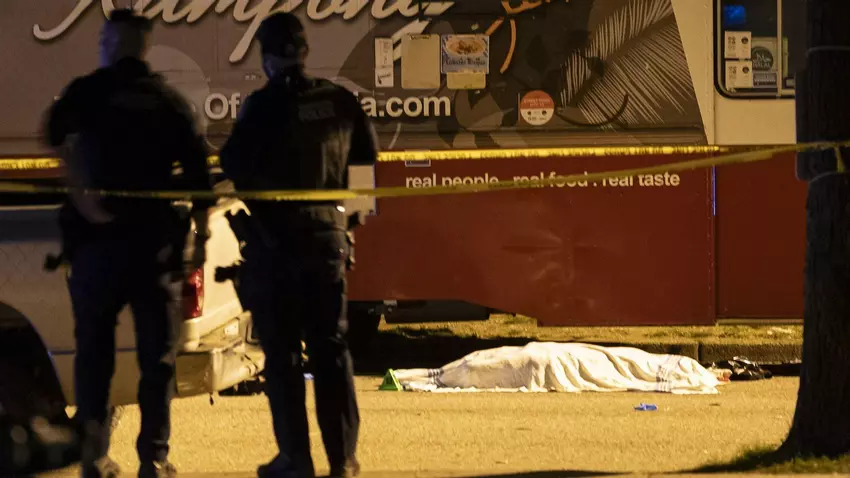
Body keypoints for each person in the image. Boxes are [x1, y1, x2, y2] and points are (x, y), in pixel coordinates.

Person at [42, 9, 213, 478]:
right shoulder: (167, 101)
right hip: (152, 249)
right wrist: (201, 239)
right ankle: (153, 458)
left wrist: (79, 188)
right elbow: (200, 179)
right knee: (156, 359)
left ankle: (93, 457)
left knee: (94, 358)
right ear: (143, 46)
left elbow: (53, 135)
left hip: (96, 248)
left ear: (111, 44)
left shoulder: (86, 94)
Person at [218, 11, 379, 478]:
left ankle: (295, 459)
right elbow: (365, 170)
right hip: (328, 242)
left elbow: (234, 165)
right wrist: (350, 226)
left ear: (266, 58)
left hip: (278, 248)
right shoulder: (340, 101)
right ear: (305, 52)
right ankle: (343, 459)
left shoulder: (262, 107)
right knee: (332, 350)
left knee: (285, 357)